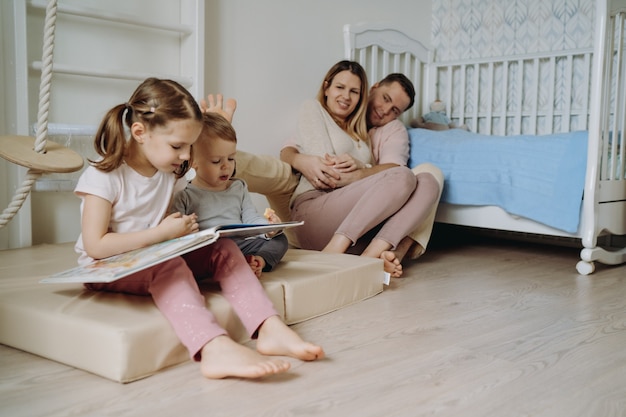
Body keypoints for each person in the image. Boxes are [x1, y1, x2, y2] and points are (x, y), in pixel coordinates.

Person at [74, 78, 323, 380]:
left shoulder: (168, 168)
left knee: (223, 247)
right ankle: (213, 348)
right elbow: (95, 246)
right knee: (167, 266)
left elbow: (213, 156)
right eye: (178, 146)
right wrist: (161, 235)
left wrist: (183, 234)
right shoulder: (105, 175)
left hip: (151, 254)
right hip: (106, 267)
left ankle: (268, 327)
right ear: (140, 133)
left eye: (189, 147)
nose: (184, 156)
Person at [279, 61, 442, 278]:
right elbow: (309, 161)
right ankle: (332, 254)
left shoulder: (365, 132)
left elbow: (391, 168)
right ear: (327, 87)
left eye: (354, 91)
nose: (384, 110)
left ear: (360, 94)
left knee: (429, 181)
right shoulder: (315, 111)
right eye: (340, 88)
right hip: (316, 207)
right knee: (403, 175)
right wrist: (300, 160)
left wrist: (361, 168)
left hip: (355, 222)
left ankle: (370, 260)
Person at [170, 112, 289, 277]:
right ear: (193, 162)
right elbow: (177, 236)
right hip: (208, 250)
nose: (226, 166)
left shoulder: (238, 187)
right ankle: (224, 265)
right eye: (216, 161)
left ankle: (257, 261)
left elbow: (251, 218)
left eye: (231, 159)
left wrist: (268, 229)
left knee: (280, 240)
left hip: (241, 246)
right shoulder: (185, 195)